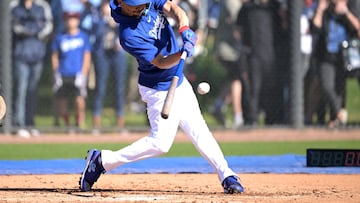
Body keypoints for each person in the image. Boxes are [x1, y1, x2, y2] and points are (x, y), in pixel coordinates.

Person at [79, 0, 244, 194]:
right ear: (121, 3)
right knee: (160, 144)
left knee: (199, 129)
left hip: (178, 81)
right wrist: (182, 52)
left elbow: (175, 9)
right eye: (136, 5)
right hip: (157, 89)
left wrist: (184, 29)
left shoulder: (147, 2)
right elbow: (160, 61)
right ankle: (102, 160)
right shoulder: (128, 35)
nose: (142, 7)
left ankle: (226, 174)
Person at [311, 0, 360, 128]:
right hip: (326, 56)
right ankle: (339, 112)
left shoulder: (351, 7)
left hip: (344, 56)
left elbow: (358, 29)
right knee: (327, 85)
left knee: (339, 89)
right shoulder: (325, 9)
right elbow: (315, 28)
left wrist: (346, 13)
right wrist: (320, 10)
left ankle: (337, 119)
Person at [10, 0, 53, 137]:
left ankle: (30, 123)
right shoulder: (14, 6)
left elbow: (48, 25)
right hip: (21, 55)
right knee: (20, 91)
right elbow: (13, 25)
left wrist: (37, 33)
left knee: (32, 91)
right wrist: (29, 31)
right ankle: (19, 124)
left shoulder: (42, 6)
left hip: (37, 55)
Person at [91, 0, 128, 134]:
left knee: (119, 89)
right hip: (102, 54)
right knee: (100, 88)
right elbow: (96, 33)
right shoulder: (97, 19)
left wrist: (115, 23)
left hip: (118, 55)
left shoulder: (121, 15)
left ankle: (120, 125)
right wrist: (105, 20)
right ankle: (96, 125)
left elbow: (127, 30)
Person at [51, 11, 92, 131]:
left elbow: (87, 55)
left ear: (78, 21)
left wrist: (83, 73)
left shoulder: (83, 37)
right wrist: (56, 72)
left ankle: (79, 122)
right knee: (62, 100)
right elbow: (54, 55)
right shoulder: (60, 37)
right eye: (68, 19)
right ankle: (67, 125)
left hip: (77, 73)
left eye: (73, 19)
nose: (71, 22)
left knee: (79, 99)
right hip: (63, 73)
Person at [213, 0, 244, 129]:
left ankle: (218, 105)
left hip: (232, 48)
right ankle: (238, 116)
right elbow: (238, 23)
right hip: (228, 49)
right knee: (236, 79)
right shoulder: (232, 2)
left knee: (235, 79)